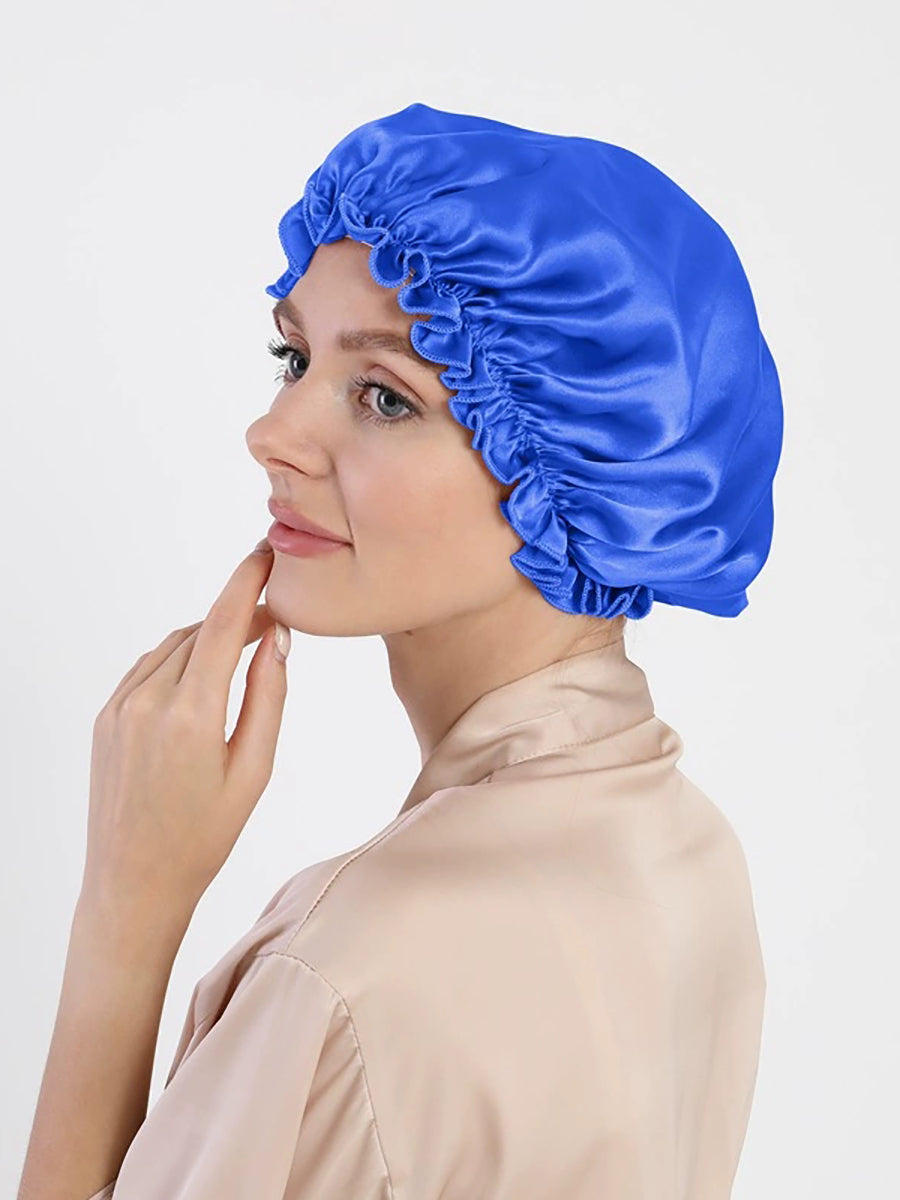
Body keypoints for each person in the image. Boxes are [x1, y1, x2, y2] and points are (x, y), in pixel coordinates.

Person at [19, 103, 783, 1199]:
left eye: (384, 396)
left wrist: (123, 918)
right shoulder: (688, 854)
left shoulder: (346, 974)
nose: (272, 434)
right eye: (291, 356)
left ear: (564, 466)